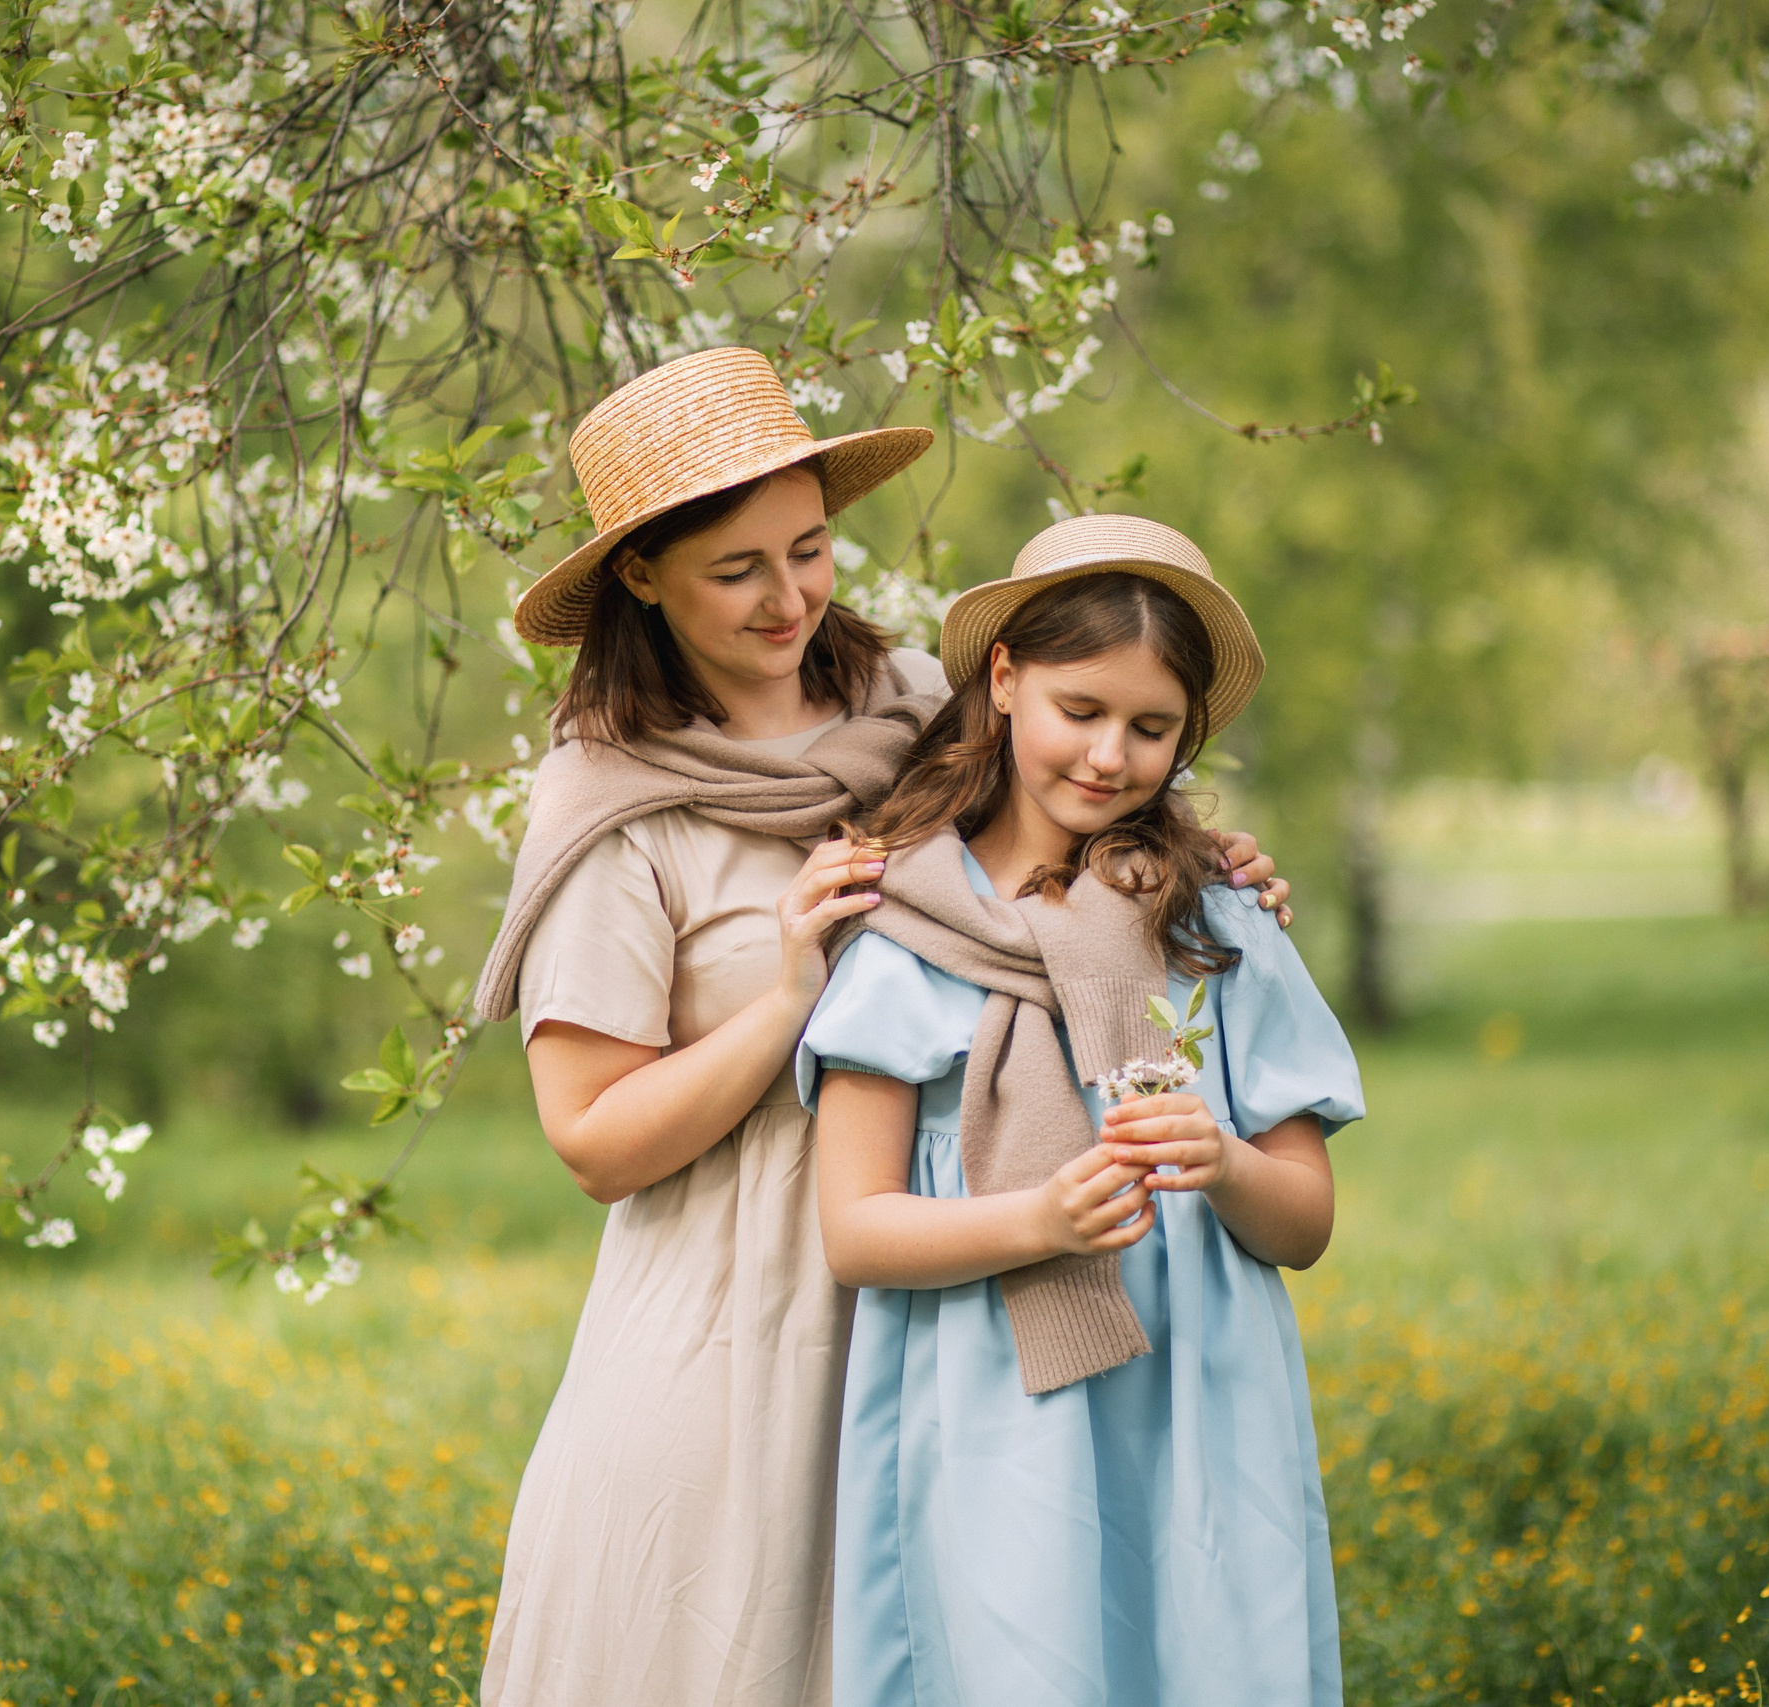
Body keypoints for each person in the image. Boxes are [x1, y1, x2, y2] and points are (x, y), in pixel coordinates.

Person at [472, 352, 1293, 1707]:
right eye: (738, 568)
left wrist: (1195, 860)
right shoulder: (613, 811)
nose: (791, 596)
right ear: (641, 574)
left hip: (950, 1302)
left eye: (809, 547)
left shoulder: (911, 707)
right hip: (737, 1326)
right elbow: (593, 1143)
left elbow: (1062, 828)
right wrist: (790, 995)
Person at [806, 513, 1364, 1707]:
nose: (1111, 756)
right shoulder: (907, 937)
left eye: (1152, 727)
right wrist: (1040, 1222)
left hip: (1203, 1398)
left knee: (1204, 1652)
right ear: (1004, 679)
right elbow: (854, 1230)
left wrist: (1220, 1160)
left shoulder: (1215, 930)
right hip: (991, 1402)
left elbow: (1305, 1223)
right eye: (1081, 710)